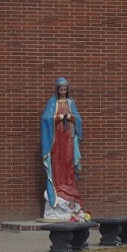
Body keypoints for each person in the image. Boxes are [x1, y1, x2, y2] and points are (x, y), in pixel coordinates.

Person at [40, 77, 88, 221]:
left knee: (68, 160)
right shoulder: (52, 102)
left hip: (68, 137)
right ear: (57, 90)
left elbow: (78, 118)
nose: (62, 91)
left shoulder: (70, 102)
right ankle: (58, 187)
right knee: (57, 162)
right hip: (56, 139)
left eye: (64, 89)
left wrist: (71, 117)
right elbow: (46, 118)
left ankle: (68, 185)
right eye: (60, 89)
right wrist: (59, 116)